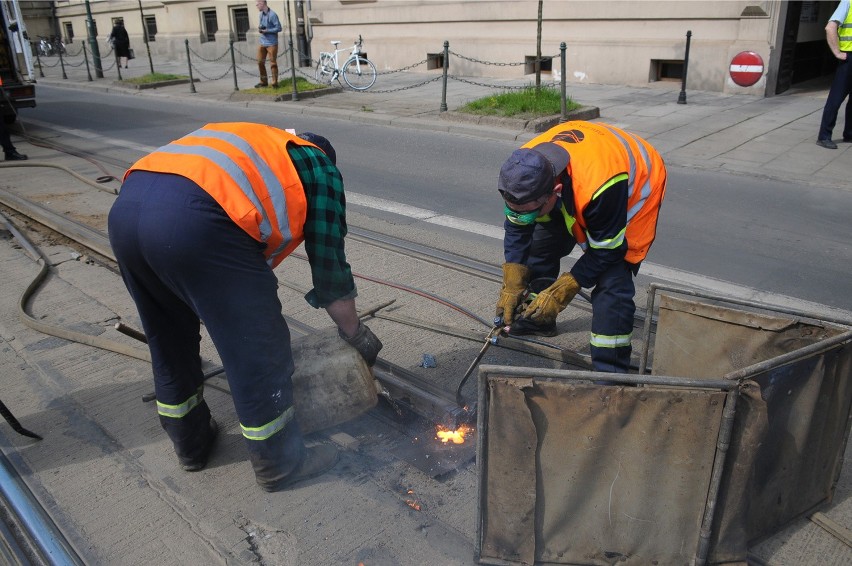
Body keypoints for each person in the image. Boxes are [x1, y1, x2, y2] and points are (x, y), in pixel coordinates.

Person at [107, 123, 382, 491]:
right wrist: (355, 333)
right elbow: (330, 271)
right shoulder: (320, 167)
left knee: (168, 338)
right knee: (258, 346)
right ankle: (280, 464)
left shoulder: (259, 143)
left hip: (127, 210)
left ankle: (191, 444)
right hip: (195, 221)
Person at [496, 121, 666, 373]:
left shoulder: (601, 186)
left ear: (556, 191)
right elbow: (518, 228)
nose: (523, 218)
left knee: (613, 280)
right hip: (579, 173)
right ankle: (538, 319)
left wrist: (564, 289)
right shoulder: (523, 170)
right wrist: (512, 283)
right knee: (538, 245)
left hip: (634, 186)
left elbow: (607, 250)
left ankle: (612, 373)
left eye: (529, 213)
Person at [816, 0, 851, 149]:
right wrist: (837, 52)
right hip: (849, 58)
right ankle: (824, 136)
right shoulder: (848, 2)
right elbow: (830, 28)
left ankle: (849, 134)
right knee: (836, 99)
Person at [255, 0, 282, 88]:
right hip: (262, 42)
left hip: (272, 43)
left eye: (258, 4)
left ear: (263, 3)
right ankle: (263, 82)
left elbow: (279, 28)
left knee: (272, 63)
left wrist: (268, 31)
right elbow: (262, 25)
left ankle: (274, 83)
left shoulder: (272, 15)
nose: (256, 5)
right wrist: (261, 29)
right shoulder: (261, 14)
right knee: (260, 62)